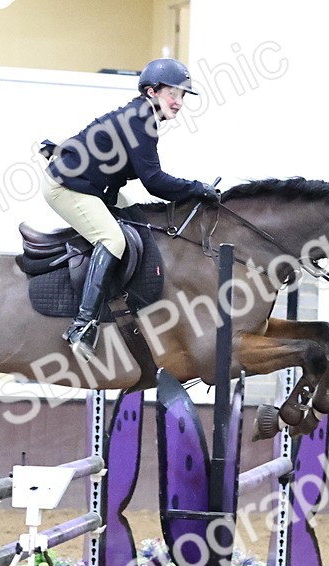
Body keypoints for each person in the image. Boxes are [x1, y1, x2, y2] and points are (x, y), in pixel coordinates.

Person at [41, 57, 220, 360]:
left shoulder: (141, 116)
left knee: (137, 219)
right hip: (66, 186)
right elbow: (154, 181)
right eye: (173, 94)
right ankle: (83, 325)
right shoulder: (140, 120)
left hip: (90, 185)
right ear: (152, 92)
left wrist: (192, 190)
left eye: (182, 96)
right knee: (113, 239)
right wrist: (197, 188)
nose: (179, 103)